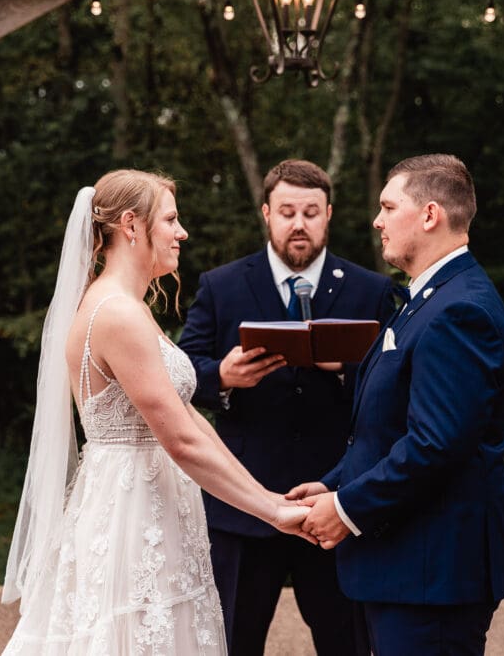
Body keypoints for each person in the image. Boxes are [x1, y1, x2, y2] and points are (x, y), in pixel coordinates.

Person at [1, 170, 310, 655]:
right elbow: (180, 439)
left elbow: (190, 421)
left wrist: (268, 498)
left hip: (152, 502)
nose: (181, 232)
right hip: (131, 511)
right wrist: (271, 512)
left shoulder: (131, 307)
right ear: (131, 225)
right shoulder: (117, 314)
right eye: (170, 219)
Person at [289, 154, 504, 655]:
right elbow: (390, 425)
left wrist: (345, 509)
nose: (377, 220)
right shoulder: (429, 297)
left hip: (431, 572)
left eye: (388, 207)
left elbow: (437, 445)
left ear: (430, 214)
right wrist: (334, 481)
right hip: (406, 565)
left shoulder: (459, 310)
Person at [178, 159, 396, 655]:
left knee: (349, 644)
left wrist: (347, 368)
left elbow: (398, 385)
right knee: (233, 641)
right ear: (267, 214)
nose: (299, 224)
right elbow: (180, 371)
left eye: (311, 212)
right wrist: (222, 377)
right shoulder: (221, 284)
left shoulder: (372, 289)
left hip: (338, 501)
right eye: (287, 212)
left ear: (329, 215)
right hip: (243, 503)